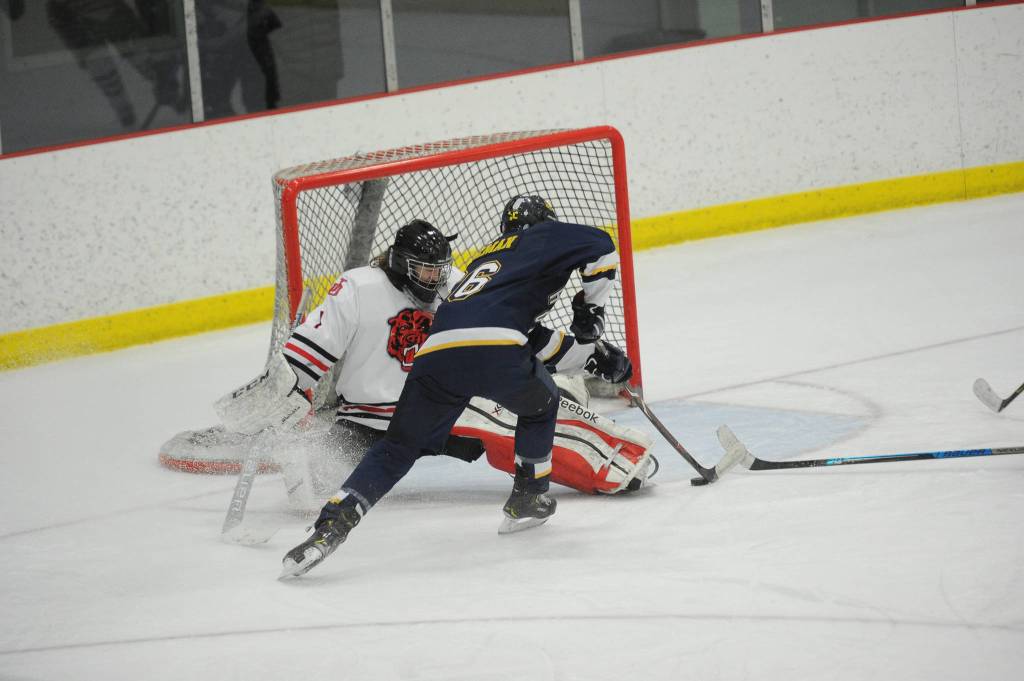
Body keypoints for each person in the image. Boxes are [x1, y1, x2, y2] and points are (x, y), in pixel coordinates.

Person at [279, 195, 637, 578]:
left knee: (397, 451)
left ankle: (331, 524)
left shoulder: (486, 263)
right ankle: (528, 498)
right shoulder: (542, 239)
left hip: (435, 359)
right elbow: (601, 245)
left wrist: (587, 356)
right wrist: (591, 315)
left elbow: (518, 333)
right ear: (545, 223)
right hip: (476, 362)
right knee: (543, 403)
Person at [208, 217, 654, 503]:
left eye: (440, 268)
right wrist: (290, 393)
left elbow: (519, 338)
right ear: (402, 264)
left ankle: (618, 464)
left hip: (446, 403)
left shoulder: (454, 284)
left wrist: (588, 355)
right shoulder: (359, 288)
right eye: (426, 270)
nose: (436, 278)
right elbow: (306, 350)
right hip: (369, 420)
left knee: (528, 417)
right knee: (320, 484)